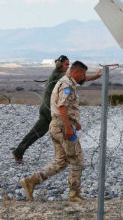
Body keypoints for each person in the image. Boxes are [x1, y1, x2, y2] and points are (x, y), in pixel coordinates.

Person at [20, 61, 89, 202]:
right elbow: (62, 106)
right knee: (77, 159)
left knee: (61, 162)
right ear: (76, 72)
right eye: (83, 74)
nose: (83, 77)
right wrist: (68, 126)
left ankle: (31, 181)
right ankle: (74, 193)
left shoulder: (66, 82)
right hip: (63, 127)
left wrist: (75, 122)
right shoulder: (67, 85)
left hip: (58, 125)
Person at [12, 55, 101, 163]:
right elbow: (78, 78)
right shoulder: (59, 75)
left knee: (38, 133)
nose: (68, 67)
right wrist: (95, 76)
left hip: (48, 108)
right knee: (63, 131)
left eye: (69, 65)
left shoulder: (59, 74)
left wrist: (95, 76)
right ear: (59, 64)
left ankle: (19, 151)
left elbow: (79, 78)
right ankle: (72, 159)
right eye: (66, 64)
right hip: (49, 110)